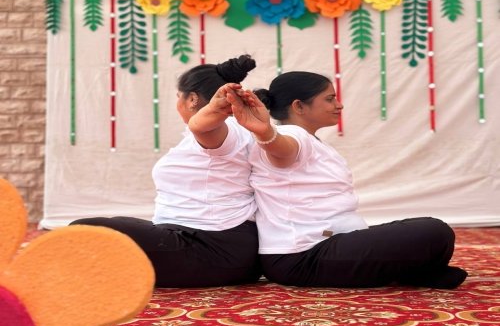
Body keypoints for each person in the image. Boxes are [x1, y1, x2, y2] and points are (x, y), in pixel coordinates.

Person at [225, 71, 468, 289]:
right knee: (435, 232)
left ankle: (412, 270)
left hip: (319, 248)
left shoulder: (310, 139)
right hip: (301, 256)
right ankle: (415, 270)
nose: (339, 105)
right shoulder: (292, 135)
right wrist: (265, 133)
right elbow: (282, 150)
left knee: (420, 228)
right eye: (329, 99)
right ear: (299, 106)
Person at [70, 55, 261, 288]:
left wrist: (215, 109)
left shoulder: (224, 131)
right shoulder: (217, 133)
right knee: (116, 224)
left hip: (214, 248)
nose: (177, 103)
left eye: (179, 96)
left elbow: (205, 128)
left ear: (192, 99)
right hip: (210, 243)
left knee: (84, 231)